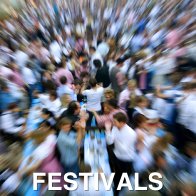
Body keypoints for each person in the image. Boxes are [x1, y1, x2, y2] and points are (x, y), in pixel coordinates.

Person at [105, 112, 136, 195]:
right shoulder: (115, 127)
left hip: (126, 160)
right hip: (117, 156)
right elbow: (109, 141)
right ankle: (114, 190)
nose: (113, 123)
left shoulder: (131, 133)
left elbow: (124, 150)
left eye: (115, 122)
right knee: (117, 176)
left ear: (122, 123)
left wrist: (116, 140)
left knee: (123, 180)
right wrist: (108, 130)